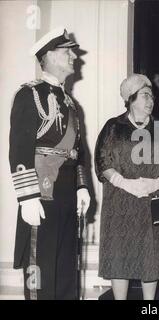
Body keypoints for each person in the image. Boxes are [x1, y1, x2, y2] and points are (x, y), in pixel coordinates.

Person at [9, 27, 91, 300]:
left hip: (68, 196)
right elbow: (19, 150)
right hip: (42, 193)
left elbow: (79, 152)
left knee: (67, 270)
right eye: (67, 52)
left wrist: (82, 187)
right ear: (50, 56)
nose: (74, 57)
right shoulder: (29, 95)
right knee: (40, 268)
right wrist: (27, 197)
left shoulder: (71, 104)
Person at [94, 73, 159, 300]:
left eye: (152, 96)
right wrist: (124, 183)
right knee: (120, 253)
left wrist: (158, 181)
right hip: (120, 201)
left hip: (153, 201)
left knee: (151, 254)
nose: (151, 101)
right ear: (130, 99)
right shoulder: (113, 126)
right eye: (145, 96)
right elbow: (102, 161)